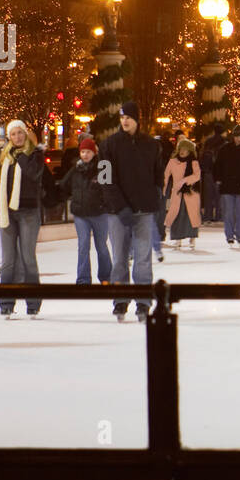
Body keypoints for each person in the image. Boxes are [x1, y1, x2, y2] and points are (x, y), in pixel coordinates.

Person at [0, 121, 56, 319]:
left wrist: (22, 156)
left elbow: (33, 175)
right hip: (7, 212)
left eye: (20, 133)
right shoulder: (3, 157)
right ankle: (6, 303)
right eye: (13, 134)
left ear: (25, 134)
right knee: (8, 261)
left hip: (28, 213)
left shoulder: (35, 156)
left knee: (27, 259)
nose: (17, 137)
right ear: (9, 136)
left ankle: (33, 302)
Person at [99, 101, 162, 321]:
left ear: (137, 120)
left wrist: (154, 199)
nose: (124, 121)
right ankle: (120, 300)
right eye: (122, 117)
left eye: (129, 117)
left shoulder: (151, 145)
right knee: (119, 258)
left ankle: (143, 301)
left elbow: (157, 176)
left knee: (143, 258)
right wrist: (119, 207)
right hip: (118, 213)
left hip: (144, 211)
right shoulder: (108, 145)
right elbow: (105, 180)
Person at [58, 137, 111, 284]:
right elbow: (64, 185)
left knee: (101, 246)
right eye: (82, 152)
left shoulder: (102, 168)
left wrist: (106, 204)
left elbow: (108, 189)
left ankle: (106, 276)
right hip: (81, 214)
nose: (85, 155)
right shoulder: (76, 169)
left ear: (94, 152)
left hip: (99, 213)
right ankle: (83, 279)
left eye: (88, 151)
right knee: (83, 246)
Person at [214, 126, 240, 247]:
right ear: (233, 137)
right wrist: (218, 179)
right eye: (237, 136)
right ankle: (230, 235)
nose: (238, 139)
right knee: (229, 212)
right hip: (227, 186)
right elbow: (217, 165)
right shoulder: (224, 149)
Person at [163, 137, 202, 251]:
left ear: (190, 151)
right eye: (181, 148)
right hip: (177, 194)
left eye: (185, 149)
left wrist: (184, 180)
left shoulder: (194, 162)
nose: (182, 151)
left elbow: (197, 175)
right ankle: (178, 239)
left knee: (191, 216)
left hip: (191, 193)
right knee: (177, 215)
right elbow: (165, 176)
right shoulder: (173, 161)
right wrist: (163, 191)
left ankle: (192, 238)